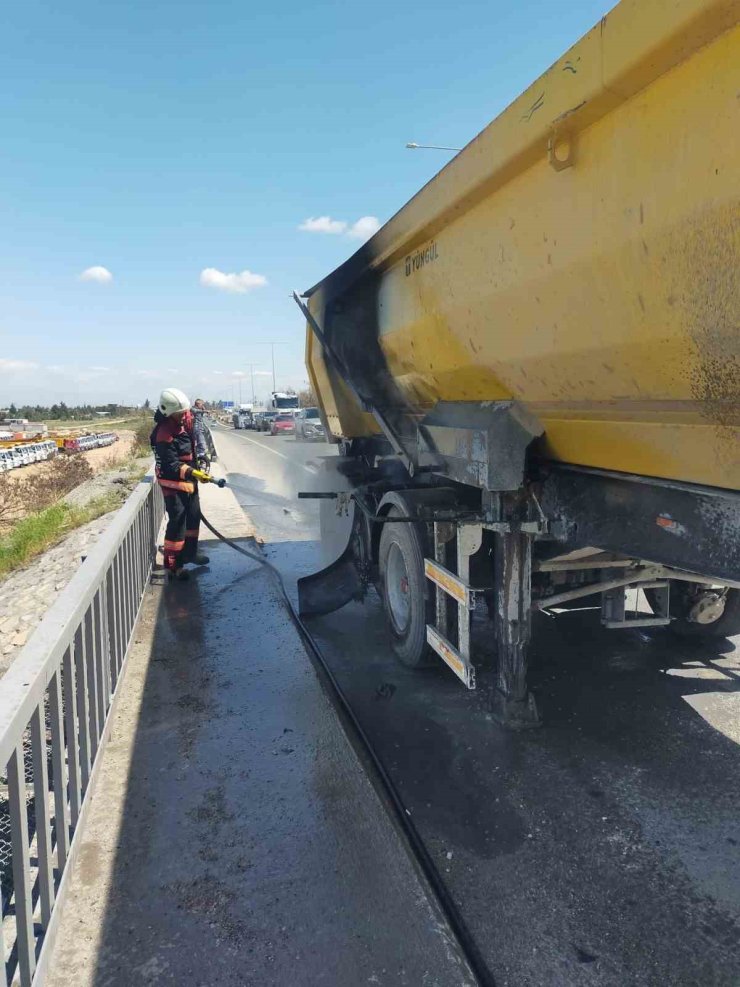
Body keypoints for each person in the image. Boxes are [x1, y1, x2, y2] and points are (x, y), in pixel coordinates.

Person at [151, 388, 209, 579]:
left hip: (190, 482)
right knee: (178, 522)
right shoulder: (163, 434)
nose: (185, 415)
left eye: (185, 411)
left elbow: (196, 433)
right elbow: (171, 464)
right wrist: (193, 472)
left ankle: (190, 554)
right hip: (173, 485)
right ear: (168, 412)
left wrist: (201, 457)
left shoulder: (184, 421)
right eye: (180, 413)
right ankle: (174, 565)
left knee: (193, 518)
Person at [192, 398, 216, 468]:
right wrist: (205, 411)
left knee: (200, 446)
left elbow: (201, 411)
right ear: (198, 404)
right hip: (197, 429)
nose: (203, 405)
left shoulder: (200, 410)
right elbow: (196, 411)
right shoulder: (193, 409)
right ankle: (201, 460)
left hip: (200, 429)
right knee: (202, 445)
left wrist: (203, 409)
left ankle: (200, 460)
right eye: (201, 404)